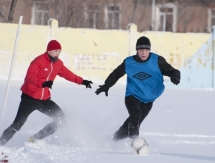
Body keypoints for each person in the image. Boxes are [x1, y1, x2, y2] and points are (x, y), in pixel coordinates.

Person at [0, 40, 93, 146]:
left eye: (59, 51)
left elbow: (68, 74)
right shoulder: (39, 61)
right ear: (48, 51)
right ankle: (1, 143)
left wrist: (82, 81)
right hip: (29, 98)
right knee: (18, 124)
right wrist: (43, 83)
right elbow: (30, 77)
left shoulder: (58, 64)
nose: (57, 53)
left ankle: (34, 139)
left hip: (44, 100)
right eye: (55, 51)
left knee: (61, 119)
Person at [95, 36, 180, 141]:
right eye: (141, 50)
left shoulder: (157, 61)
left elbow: (172, 70)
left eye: (146, 50)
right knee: (136, 114)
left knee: (133, 122)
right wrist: (106, 85)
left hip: (149, 100)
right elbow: (116, 74)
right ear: (137, 51)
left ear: (149, 50)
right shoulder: (129, 62)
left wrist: (175, 76)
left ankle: (113, 139)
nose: (143, 53)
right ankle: (134, 141)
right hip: (132, 96)